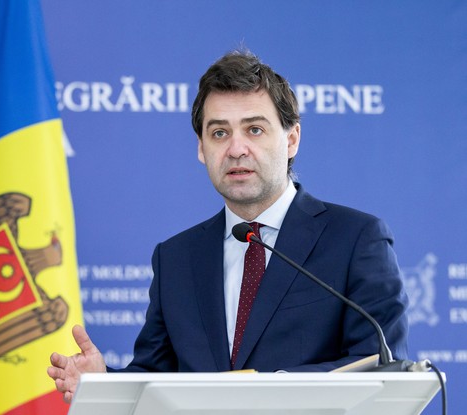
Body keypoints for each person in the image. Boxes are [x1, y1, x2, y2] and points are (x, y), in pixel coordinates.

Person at [47, 49, 409, 403]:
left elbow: (379, 369)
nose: (236, 148)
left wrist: (265, 390)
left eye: (254, 129)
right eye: (219, 133)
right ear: (201, 148)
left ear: (292, 138)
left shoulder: (355, 239)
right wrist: (103, 383)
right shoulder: (176, 258)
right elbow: (155, 379)